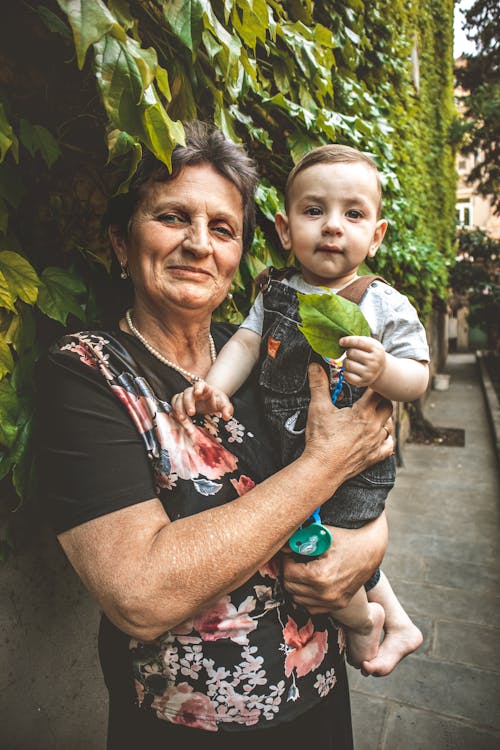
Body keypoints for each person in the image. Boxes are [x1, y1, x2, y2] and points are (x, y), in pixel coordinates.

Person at [37, 123, 394, 750]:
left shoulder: (267, 350)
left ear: (240, 257)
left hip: (319, 701)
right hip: (187, 728)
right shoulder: (87, 371)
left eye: (223, 229)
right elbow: (139, 594)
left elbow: (367, 460)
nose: (199, 245)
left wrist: (368, 546)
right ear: (122, 242)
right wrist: (322, 465)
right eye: (173, 217)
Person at [172, 144, 428, 676]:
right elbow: (244, 343)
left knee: (318, 558)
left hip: (356, 467)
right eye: (314, 212)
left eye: (353, 214)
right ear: (286, 230)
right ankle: (398, 620)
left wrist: (383, 372)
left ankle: (363, 623)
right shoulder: (275, 292)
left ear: (376, 235)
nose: (333, 226)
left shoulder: (382, 303)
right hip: (289, 457)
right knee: (330, 543)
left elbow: (417, 375)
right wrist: (211, 387)